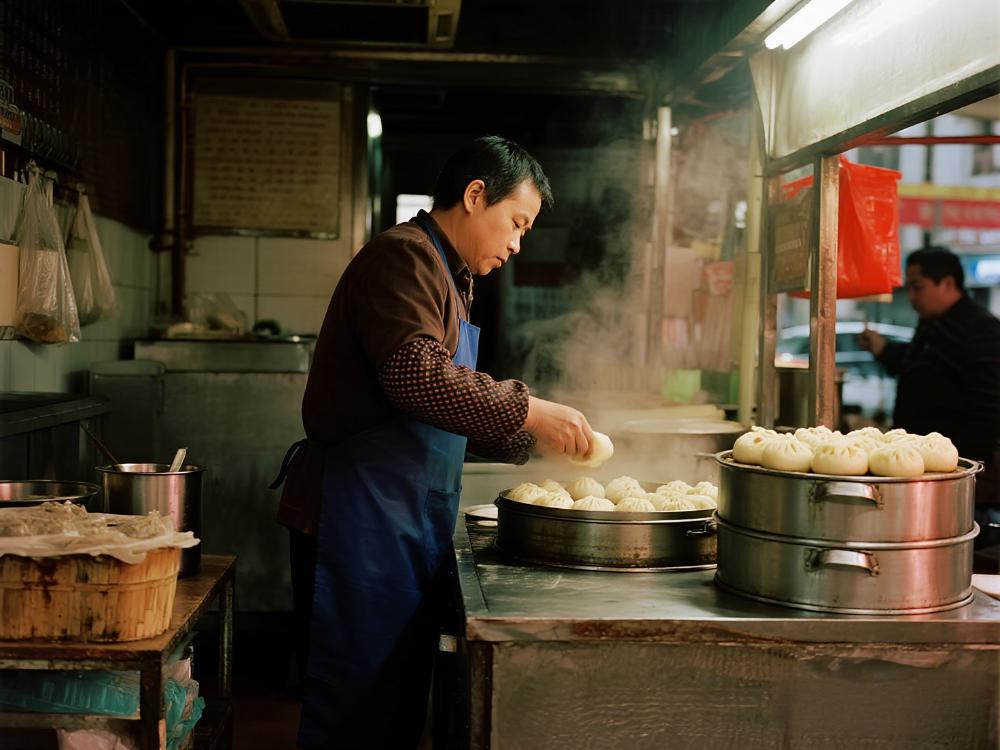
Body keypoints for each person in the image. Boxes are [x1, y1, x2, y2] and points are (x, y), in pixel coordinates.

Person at [271, 136, 596, 749]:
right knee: (356, 707)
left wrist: (523, 438)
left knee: (391, 704)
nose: (517, 243)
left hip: (395, 519)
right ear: (476, 196)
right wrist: (528, 410)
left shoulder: (450, 273)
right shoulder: (406, 258)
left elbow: (435, 404)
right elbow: (414, 376)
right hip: (354, 519)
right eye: (516, 223)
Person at [859, 247, 1000, 538]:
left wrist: (959, 469)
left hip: (954, 476)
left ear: (947, 283)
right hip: (922, 469)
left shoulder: (981, 329)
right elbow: (919, 369)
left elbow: (989, 409)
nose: (910, 297)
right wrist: (883, 349)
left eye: (917, 287)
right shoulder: (932, 324)